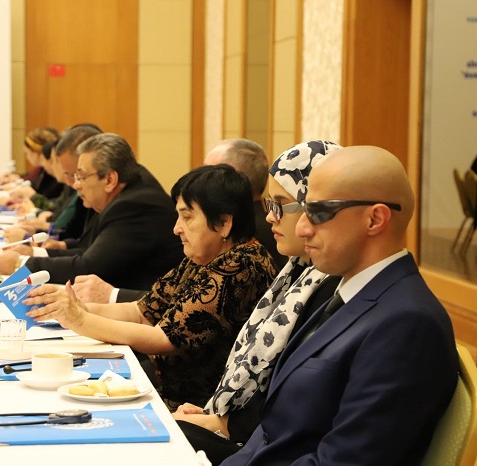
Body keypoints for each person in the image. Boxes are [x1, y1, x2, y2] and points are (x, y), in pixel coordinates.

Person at [221, 146, 458, 466]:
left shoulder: (408, 325)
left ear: (375, 219)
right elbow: (276, 429)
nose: (302, 228)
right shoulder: (349, 290)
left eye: (319, 212)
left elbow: (343, 461)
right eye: (303, 210)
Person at [23, 163, 277, 410]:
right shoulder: (205, 256)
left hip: (198, 406)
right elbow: (142, 311)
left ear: (223, 223)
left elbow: (164, 339)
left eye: (187, 217)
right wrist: (78, 307)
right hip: (165, 384)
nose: (176, 228)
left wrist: (80, 319)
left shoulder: (241, 265)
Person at [172, 140, 342, 465]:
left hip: (260, 442)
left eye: (280, 205)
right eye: (267, 204)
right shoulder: (296, 270)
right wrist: (214, 415)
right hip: (239, 424)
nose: (269, 217)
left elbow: (297, 398)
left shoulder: (330, 287)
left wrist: (221, 423)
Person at [71, 138, 285, 304]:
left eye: (208, 172)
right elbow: (164, 301)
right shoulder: (203, 244)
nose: (177, 228)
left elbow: (175, 321)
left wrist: (95, 307)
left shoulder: (249, 243)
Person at [0, 133, 184, 291]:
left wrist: (21, 263)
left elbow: (89, 268)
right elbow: (91, 251)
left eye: (82, 176)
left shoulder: (133, 206)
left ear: (109, 180)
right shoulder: (128, 191)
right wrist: (36, 252)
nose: (76, 184)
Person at [204, 139, 286, 270]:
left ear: (233, 179)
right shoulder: (264, 219)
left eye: (208, 172)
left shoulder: (244, 232)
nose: (200, 179)